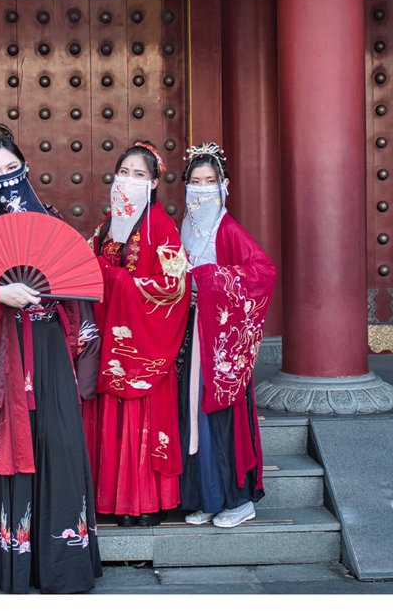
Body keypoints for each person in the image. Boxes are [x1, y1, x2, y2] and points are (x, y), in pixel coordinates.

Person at [0, 136, 103, 593]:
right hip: (1, 356)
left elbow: (79, 288)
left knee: (57, 442)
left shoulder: (51, 223)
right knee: (6, 441)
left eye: (13, 169)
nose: (8, 180)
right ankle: (4, 559)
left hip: (48, 352)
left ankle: (60, 563)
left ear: (26, 168)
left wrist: (69, 322)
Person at [81, 141, 191, 528]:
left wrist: (112, 277)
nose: (128, 181)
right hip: (108, 341)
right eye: (123, 173)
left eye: (139, 175)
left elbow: (175, 287)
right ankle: (110, 499)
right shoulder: (107, 225)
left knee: (142, 423)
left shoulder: (162, 227)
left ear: (155, 182)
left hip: (143, 346)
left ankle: (144, 502)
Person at [176, 143, 276, 529]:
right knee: (192, 415)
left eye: (210, 181)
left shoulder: (229, 230)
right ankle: (206, 496)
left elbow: (262, 272)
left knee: (220, 418)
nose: (202, 189)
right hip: (191, 333)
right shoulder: (182, 227)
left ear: (224, 186)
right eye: (195, 182)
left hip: (221, 343)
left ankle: (238, 498)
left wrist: (206, 279)